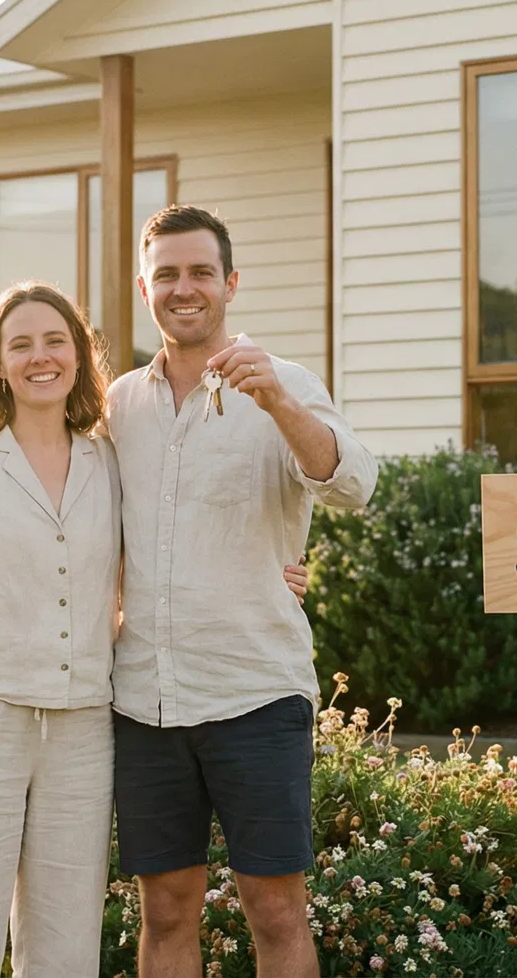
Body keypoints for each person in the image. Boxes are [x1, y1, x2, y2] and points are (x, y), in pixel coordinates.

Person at [0, 281, 310, 978]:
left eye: (56, 341)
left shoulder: (108, 461)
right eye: (20, 344)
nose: (40, 357)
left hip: (84, 728)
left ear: (79, 355)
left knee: (65, 942)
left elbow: (161, 552)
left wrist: (261, 573)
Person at [108, 206, 379, 978]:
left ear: (230, 283)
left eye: (200, 272)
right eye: (167, 274)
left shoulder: (284, 382)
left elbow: (354, 485)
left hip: (255, 695)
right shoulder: (119, 405)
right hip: (145, 701)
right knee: (164, 910)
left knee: (276, 909)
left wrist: (281, 407)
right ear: (144, 287)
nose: (183, 288)